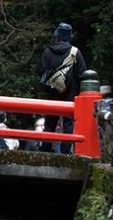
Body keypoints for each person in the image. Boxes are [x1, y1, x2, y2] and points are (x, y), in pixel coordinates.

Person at [36, 22, 87, 154]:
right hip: (70, 93)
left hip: (52, 92)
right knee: (68, 123)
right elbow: (82, 74)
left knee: (49, 123)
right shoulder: (75, 53)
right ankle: (66, 151)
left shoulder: (48, 52)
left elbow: (40, 70)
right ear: (69, 37)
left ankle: (46, 149)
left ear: (56, 36)